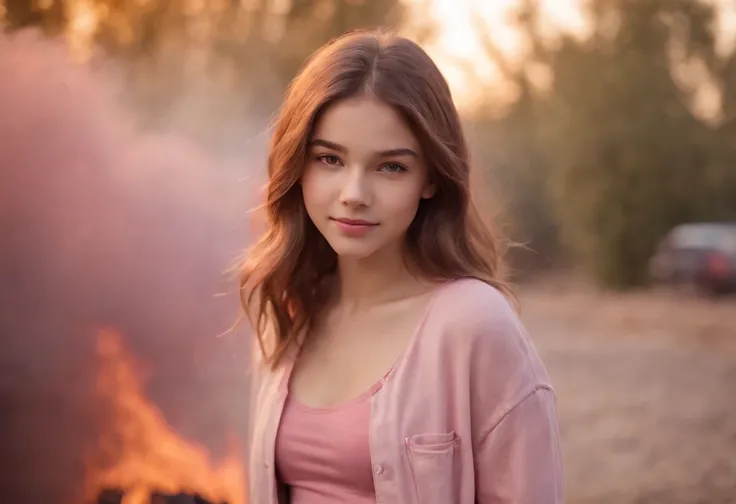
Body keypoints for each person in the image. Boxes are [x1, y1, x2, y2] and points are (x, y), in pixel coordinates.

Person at [240, 28, 563, 504]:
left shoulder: (474, 325)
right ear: (298, 167)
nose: (354, 193)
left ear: (430, 178)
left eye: (390, 166)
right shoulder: (287, 309)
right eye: (330, 159)